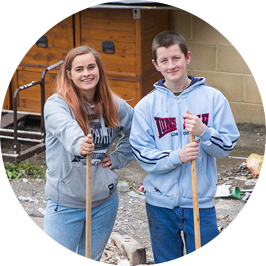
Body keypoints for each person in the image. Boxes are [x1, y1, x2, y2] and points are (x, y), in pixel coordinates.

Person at [129, 31, 240, 263]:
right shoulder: (146, 106)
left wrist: (204, 132)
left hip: (200, 203)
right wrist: (177, 156)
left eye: (176, 58)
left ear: (187, 57)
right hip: (159, 205)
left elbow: (227, 145)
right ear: (155, 64)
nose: (171, 65)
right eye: (164, 60)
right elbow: (143, 155)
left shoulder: (213, 98)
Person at [43, 45, 134, 260]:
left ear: (99, 70)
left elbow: (139, 133)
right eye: (79, 69)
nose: (86, 73)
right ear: (69, 74)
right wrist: (79, 143)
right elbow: (65, 128)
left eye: (91, 67)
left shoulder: (115, 105)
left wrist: (118, 157)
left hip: (104, 202)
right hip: (65, 202)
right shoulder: (57, 104)